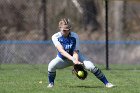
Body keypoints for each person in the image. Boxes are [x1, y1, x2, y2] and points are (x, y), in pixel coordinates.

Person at [47, 18, 114, 88]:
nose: (67, 31)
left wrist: (76, 62)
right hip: (62, 59)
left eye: (69, 29)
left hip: (76, 57)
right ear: (60, 28)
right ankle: (51, 84)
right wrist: (73, 60)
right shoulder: (55, 37)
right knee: (51, 66)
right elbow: (61, 51)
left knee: (91, 66)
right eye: (64, 30)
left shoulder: (74, 36)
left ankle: (107, 83)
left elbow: (75, 51)